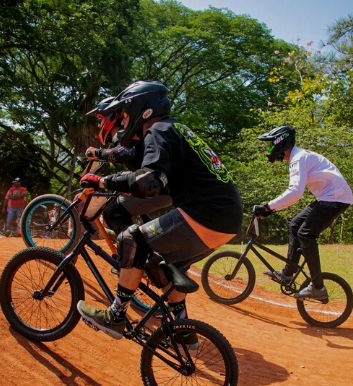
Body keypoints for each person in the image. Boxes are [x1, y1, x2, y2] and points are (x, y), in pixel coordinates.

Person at [76, 81, 243, 340]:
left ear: (142, 109)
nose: (124, 118)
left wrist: (103, 181)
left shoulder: (158, 131)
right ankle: (183, 330)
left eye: (125, 112)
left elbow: (148, 181)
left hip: (204, 212)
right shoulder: (175, 129)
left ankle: (116, 316)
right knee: (168, 265)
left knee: (132, 239)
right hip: (227, 219)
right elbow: (137, 160)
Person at [253, 125, 353, 301]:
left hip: (336, 198)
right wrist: (271, 207)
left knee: (306, 234)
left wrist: (268, 207)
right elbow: (295, 193)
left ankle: (318, 287)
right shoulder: (298, 157)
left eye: (270, 145)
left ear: (280, 142)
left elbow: (295, 193)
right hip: (328, 198)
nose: (268, 149)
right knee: (295, 225)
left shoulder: (298, 158)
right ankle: (287, 274)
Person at [85, 96, 172, 236]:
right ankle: (145, 244)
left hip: (158, 185)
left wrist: (97, 152)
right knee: (124, 185)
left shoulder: (122, 134)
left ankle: (135, 246)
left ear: (110, 117)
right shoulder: (128, 133)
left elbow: (125, 153)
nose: (99, 124)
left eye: (101, 119)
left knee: (111, 212)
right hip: (161, 184)